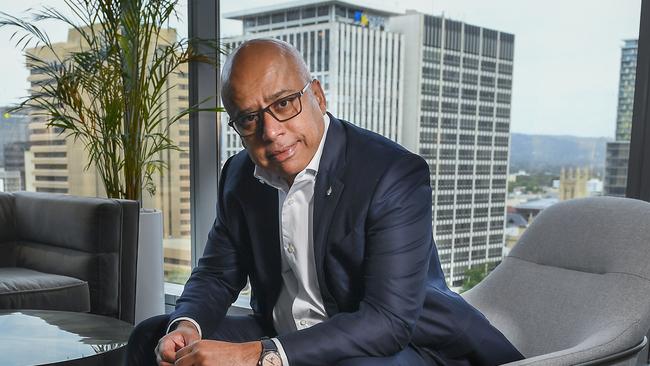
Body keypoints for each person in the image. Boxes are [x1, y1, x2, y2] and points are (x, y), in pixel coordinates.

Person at [126, 38, 524, 366]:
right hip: (284, 333)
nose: (271, 132)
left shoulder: (392, 173)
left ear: (317, 94)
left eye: (283, 103)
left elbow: (387, 321)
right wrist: (187, 328)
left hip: (398, 345)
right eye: (249, 118)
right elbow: (216, 275)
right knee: (151, 337)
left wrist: (260, 356)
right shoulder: (239, 175)